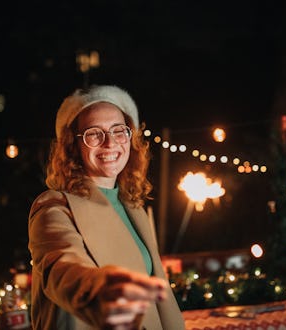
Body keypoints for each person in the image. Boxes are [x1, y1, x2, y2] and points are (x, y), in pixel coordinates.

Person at [28, 85, 185, 330]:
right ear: (73, 145)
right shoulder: (54, 207)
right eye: (94, 133)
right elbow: (62, 268)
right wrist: (99, 291)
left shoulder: (133, 206)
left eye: (118, 131)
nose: (110, 143)